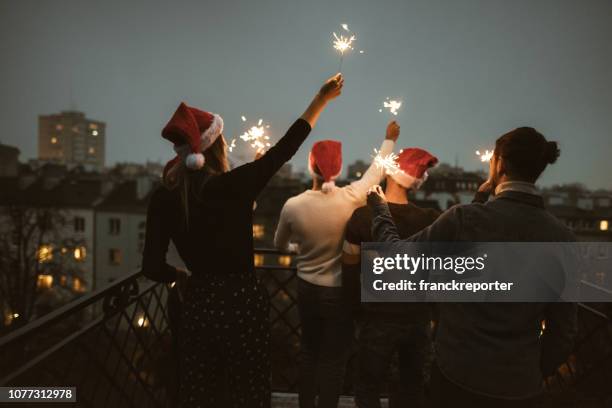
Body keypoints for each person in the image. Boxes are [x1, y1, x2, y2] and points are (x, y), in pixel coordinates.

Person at [141, 73, 344, 408]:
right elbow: (285, 149)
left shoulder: (165, 197)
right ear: (215, 146)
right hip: (241, 305)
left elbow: (151, 265)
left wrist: (177, 276)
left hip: (198, 305)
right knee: (247, 391)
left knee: (199, 393)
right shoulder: (232, 186)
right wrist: (320, 100)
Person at [366, 127, 578, 408]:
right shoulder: (563, 237)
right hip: (521, 387)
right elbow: (563, 332)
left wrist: (380, 210)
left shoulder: (465, 219)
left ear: (499, 163)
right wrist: (531, 371)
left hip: (457, 378)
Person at [273, 121, 400, 408]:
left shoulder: (293, 205)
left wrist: (297, 248)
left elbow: (279, 246)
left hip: (306, 289)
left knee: (308, 353)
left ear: (310, 166)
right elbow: (377, 172)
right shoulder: (351, 197)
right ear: (339, 168)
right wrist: (389, 139)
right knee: (333, 360)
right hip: (340, 292)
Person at [342, 147, 440, 408]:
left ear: (390, 171)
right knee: (411, 386)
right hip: (417, 317)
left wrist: (354, 311)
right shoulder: (430, 220)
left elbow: (349, 267)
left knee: (368, 386)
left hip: (376, 317)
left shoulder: (363, 217)